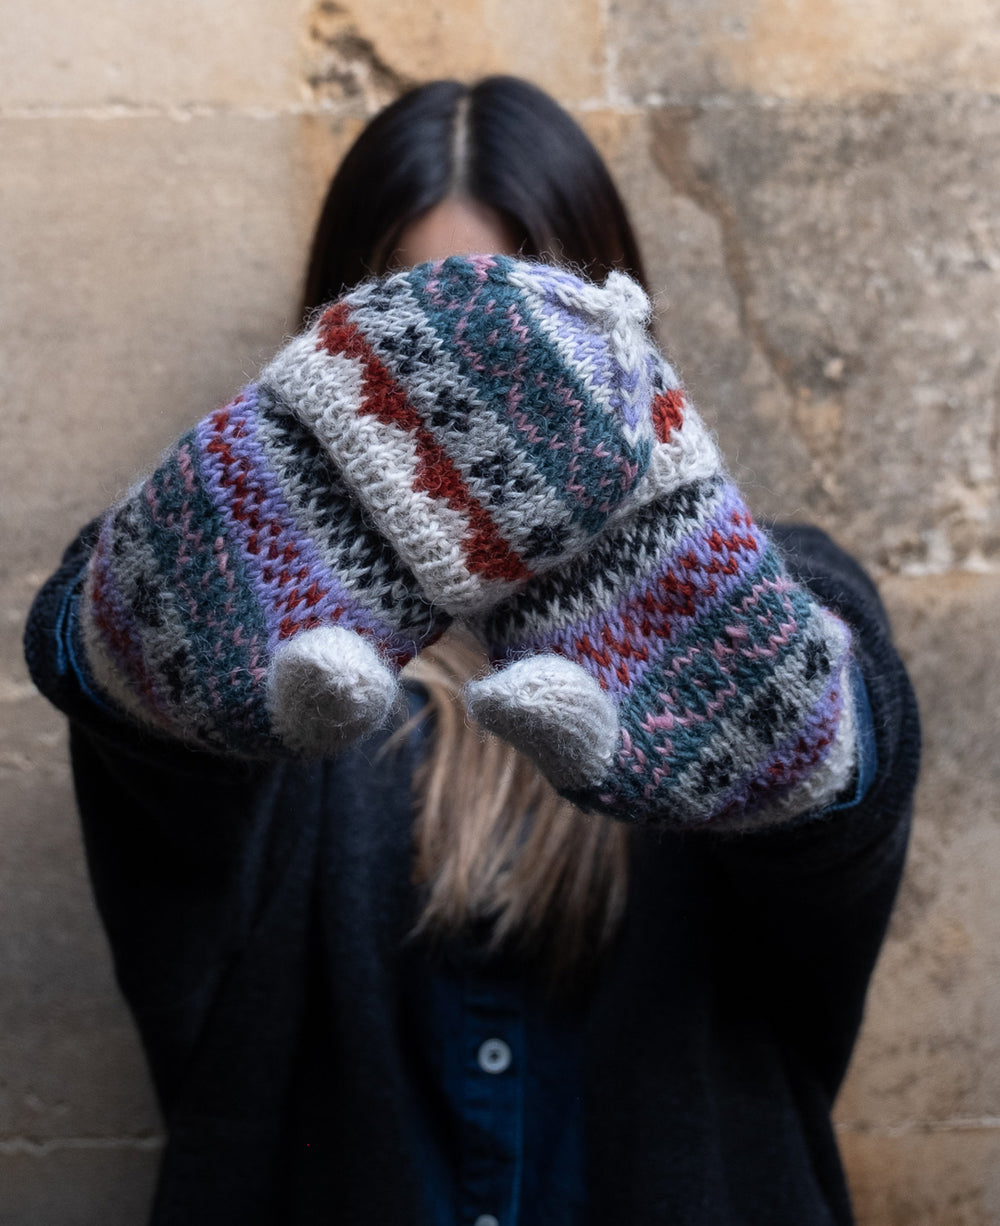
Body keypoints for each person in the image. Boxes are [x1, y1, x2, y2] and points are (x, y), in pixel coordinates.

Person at [24, 76, 919, 1226]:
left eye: (524, 316)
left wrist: (800, 739)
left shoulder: (762, 608)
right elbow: (136, 745)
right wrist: (135, 628)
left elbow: (850, 750)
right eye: (420, 317)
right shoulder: (269, 659)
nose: (473, 393)